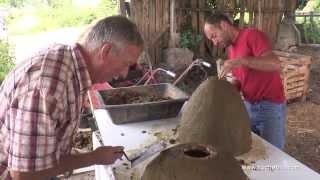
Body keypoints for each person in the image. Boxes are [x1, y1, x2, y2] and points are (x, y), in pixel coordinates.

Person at [0, 15, 143, 180]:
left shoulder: (69, 62)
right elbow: (23, 175)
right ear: (106, 51)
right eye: (126, 63)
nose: (124, 73)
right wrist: (94, 157)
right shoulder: (50, 85)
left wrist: (91, 155)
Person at [203, 13, 287, 149]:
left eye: (214, 36)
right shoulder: (231, 49)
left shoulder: (252, 35)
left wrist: (242, 60)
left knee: (273, 155)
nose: (215, 42)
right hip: (248, 106)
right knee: (253, 150)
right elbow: (241, 81)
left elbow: (275, 64)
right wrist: (224, 89)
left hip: (269, 107)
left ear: (224, 26)